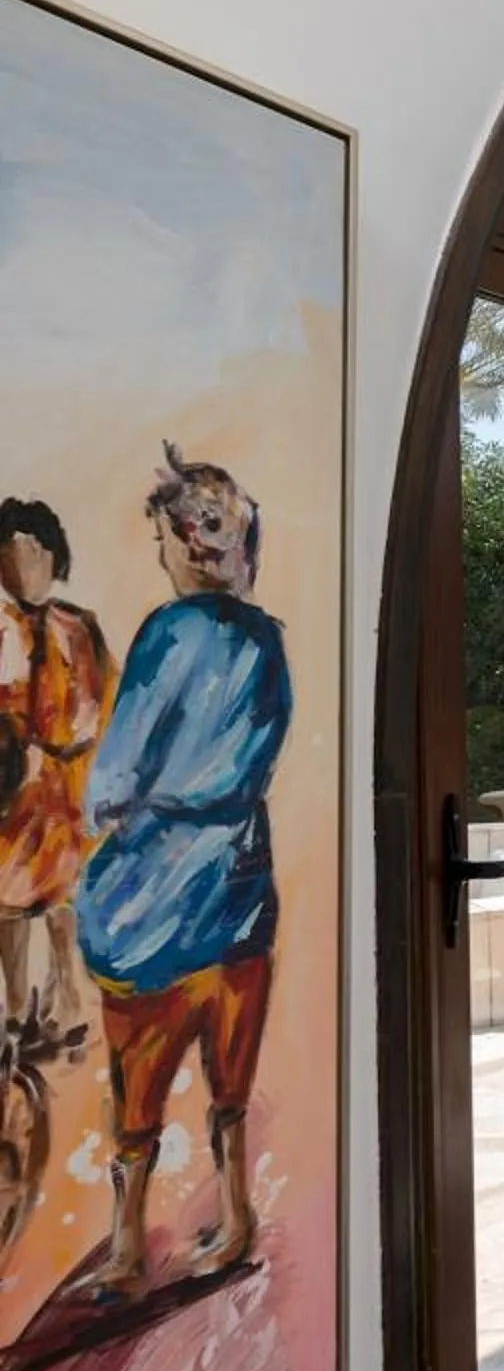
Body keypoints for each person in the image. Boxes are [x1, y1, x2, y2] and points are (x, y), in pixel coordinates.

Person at [76, 447, 290, 1293]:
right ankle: (236, 1221)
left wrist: (105, 809)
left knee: (138, 1086)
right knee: (227, 1085)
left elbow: (118, 770)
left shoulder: (166, 633)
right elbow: (260, 752)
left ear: (184, 541)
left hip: (154, 905)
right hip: (239, 893)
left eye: (166, 537)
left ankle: (129, 1251)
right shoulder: (266, 641)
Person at [0, 498, 111, 1047]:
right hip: (10, 792)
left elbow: (98, 703)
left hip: (65, 790)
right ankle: (17, 1008)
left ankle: (68, 1002)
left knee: (62, 900)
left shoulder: (77, 627)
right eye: (9, 555)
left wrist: (64, 752)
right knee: (8, 901)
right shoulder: (2, 630)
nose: (22, 567)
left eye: (33, 553)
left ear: (53, 556)